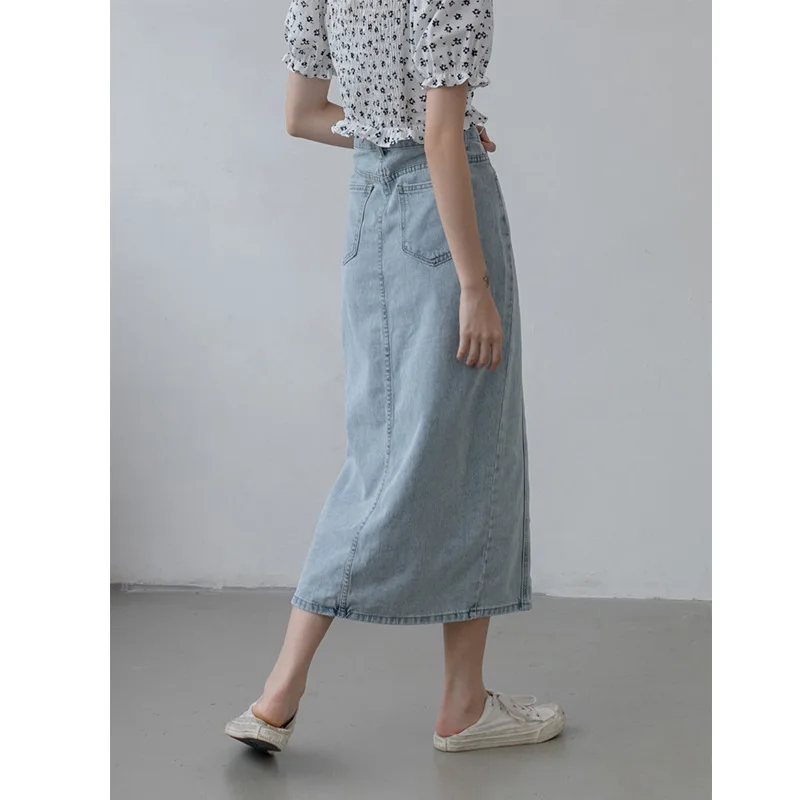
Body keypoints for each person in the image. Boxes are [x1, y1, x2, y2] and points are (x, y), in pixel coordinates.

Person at [225, 0, 564, 754]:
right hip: (442, 221)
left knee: (379, 450)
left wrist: (388, 129)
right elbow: (440, 134)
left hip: (370, 210)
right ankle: (450, 705)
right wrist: (474, 285)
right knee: (471, 451)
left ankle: (286, 694)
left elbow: (303, 115)